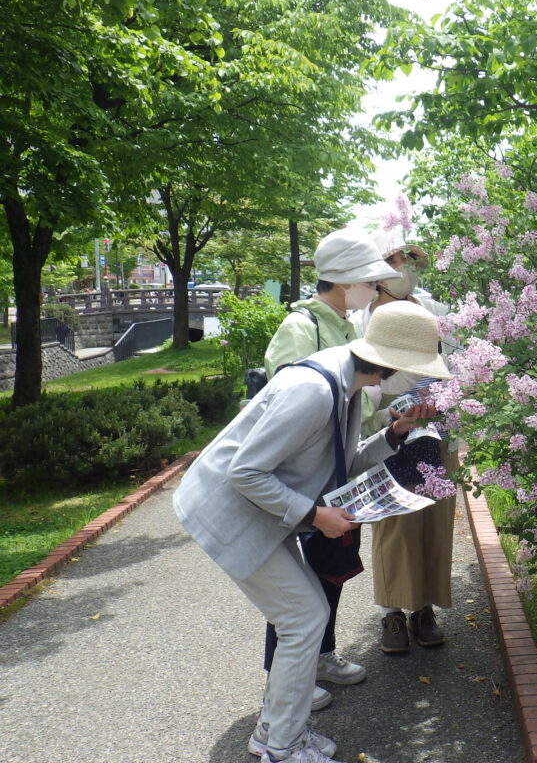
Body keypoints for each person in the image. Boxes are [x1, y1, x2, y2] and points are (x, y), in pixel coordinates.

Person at [173, 301, 451, 763]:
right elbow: (245, 473)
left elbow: (343, 464)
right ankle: (282, 748)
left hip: (258, 513)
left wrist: (396, 433)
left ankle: (274, 734)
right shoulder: (314, 390)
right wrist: (315, 515)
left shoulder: (347, 383)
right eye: (415, 368)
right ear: (394, 363)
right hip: (230, 513)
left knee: (304, 617)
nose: (416, 379)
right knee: (304, 618)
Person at [260, 227, 400, 711]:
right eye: (368, 281)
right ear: (345, 281)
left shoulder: (348, 324)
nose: (373, 290)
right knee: (292, 589)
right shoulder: (302, 326)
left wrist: (387, 420)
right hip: (296, 479)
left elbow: (358, 399)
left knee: (329, 571)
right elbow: (286, 401)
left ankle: (320, 656)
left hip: (337, 469)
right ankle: (280, 683)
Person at [352, 228, 462, 654]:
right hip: (388, 428)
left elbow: (457, 364)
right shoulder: (361, 319)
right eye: (398, 260)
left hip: (437, 421)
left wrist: (443, 405)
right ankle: (393, 613)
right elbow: (360, 385)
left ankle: (425, 608)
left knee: (434, 518)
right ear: (379, 271)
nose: (407, 268)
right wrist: (388, 418)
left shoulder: (433, 308)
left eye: (413, 260)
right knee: (394, 521)